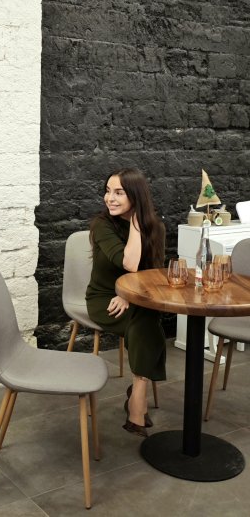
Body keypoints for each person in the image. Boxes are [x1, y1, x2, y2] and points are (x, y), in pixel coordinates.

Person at [85, 168, 166, 437]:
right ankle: (138, 403)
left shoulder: (156, 228)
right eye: (108, 191)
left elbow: (153, 274)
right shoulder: (102, 225)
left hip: (136, 297)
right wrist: (136, 224)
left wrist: (129, 295)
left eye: (119, 193)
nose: (110, 198)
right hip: (104, 299)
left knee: (147, 316)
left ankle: (138, 393)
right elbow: (129, 263)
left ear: (136, 196)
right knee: (149, 321)